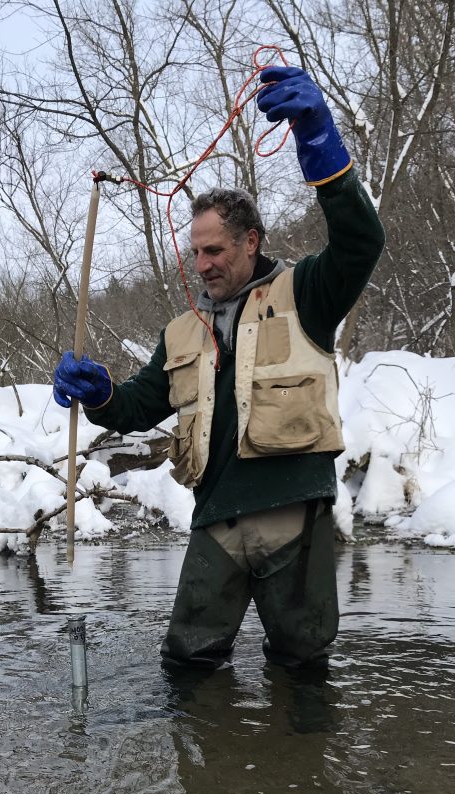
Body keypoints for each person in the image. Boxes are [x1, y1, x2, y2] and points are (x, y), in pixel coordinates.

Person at [53, 65, 385, 670]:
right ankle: (206, 764)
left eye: (215, 250)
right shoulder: (183, 331)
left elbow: (361, 241)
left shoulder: (307, 292)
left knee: (301, 665)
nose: (201, 264)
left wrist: (319, 141)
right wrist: (99, 391)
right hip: (216, 519)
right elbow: (138, 405)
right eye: (195, 251)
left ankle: (307, 763)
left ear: (250, 242)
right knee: (187, 663)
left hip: (292, 512)